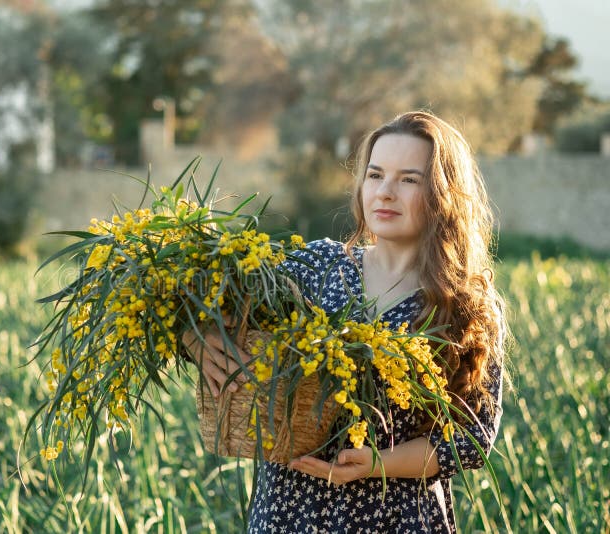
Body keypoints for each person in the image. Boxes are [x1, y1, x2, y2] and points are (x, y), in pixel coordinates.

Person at [183, 110, 508, 533]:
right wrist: (199, 337)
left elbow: (472, 441)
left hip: (396, 517)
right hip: (289, 512)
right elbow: (210, 301)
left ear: (442, 193)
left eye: (409, 179)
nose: (385, 193)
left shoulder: (465, 305)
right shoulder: (315, 266)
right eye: (375, 175)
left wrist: (377, 464)